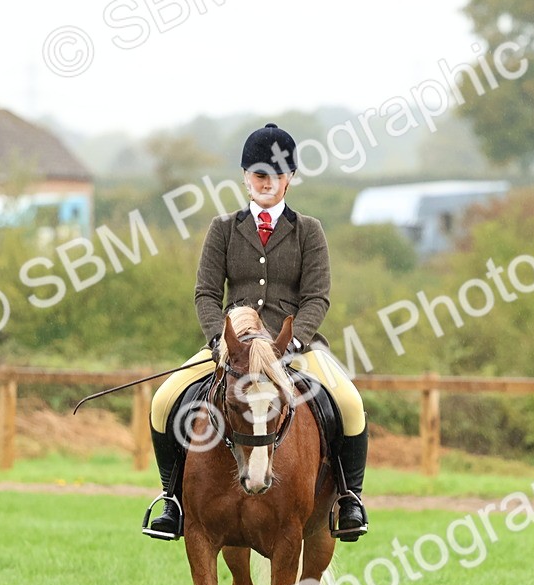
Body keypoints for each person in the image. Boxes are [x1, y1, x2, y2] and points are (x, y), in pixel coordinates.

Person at [143, 123, 370, 542]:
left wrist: (294, 340)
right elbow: (206, 294)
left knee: (350, 404)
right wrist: (218, 339)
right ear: (246, 177)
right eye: (260, 175)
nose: (267, 184)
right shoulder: (223, 229)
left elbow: (317, 298)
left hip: (294, 347)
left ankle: (348, 499)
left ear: (290, 179)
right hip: (233, 347)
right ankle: (171, 501)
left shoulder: (309, 231)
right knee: (162, 402)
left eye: (277, 176)